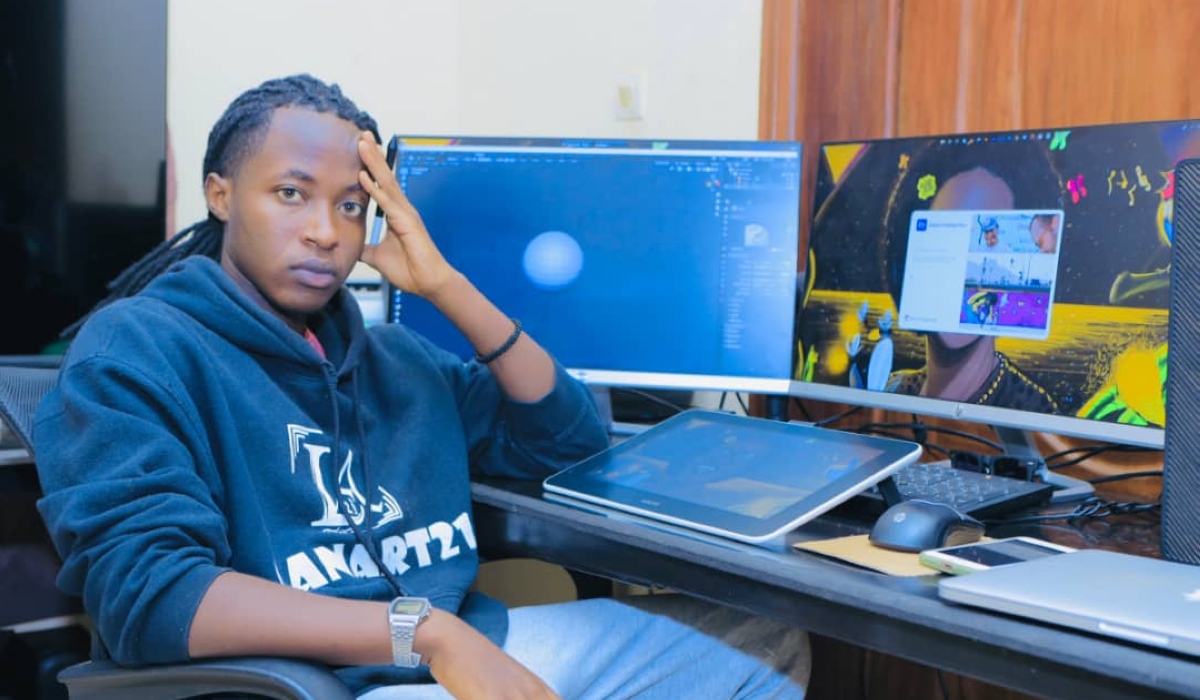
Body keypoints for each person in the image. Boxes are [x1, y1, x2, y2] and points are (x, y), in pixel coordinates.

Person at [31, 74, 808, 699]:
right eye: (291, 193)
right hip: (312, 681)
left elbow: (569, 442)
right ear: (221, 194)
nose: (325, 232)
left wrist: (446, 287)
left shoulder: (396, 359)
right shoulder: (138, 348)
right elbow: (153, 597)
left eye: (351, 206)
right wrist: (425, 633)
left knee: (761, 641)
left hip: (456, 648)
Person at [880, 140, 1060, 412]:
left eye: (988, 249)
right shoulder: (893, 389)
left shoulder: (1034, 413)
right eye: (947, 241)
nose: (963, 276)